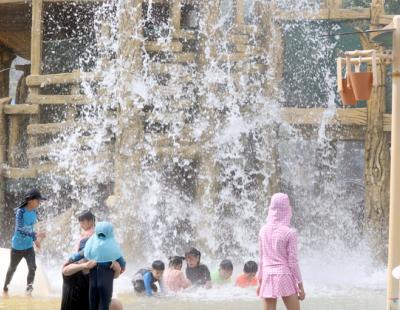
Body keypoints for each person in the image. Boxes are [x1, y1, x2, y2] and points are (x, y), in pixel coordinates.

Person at [257, 193, 305, 310]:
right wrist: (300, 286)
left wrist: (260, 282)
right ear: (287, 209)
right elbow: (293, 262)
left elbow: (261, 259)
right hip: (284, 276)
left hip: (268, 276)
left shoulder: (263, 231)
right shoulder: (289, 233)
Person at [3, 188, 47, 295]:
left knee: (32, 267)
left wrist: (38, 235)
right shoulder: (20, 211)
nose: (39, 202)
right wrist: (34, 237)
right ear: (30, 200)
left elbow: (31, 227)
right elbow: (20, 228)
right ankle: (5, 287)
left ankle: (29, 289)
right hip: (17, 247)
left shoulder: (35, 212)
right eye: (38, 200)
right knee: (12, 268)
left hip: (28, 246)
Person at [83, 221, 126, 310]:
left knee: (93, 301)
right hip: (105, 278)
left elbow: (84, 254)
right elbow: (121, 261)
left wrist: (71, 259)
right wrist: (121, 268)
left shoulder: (92, 243)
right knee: (104, 302)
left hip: (93, 278)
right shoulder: (112, 245)